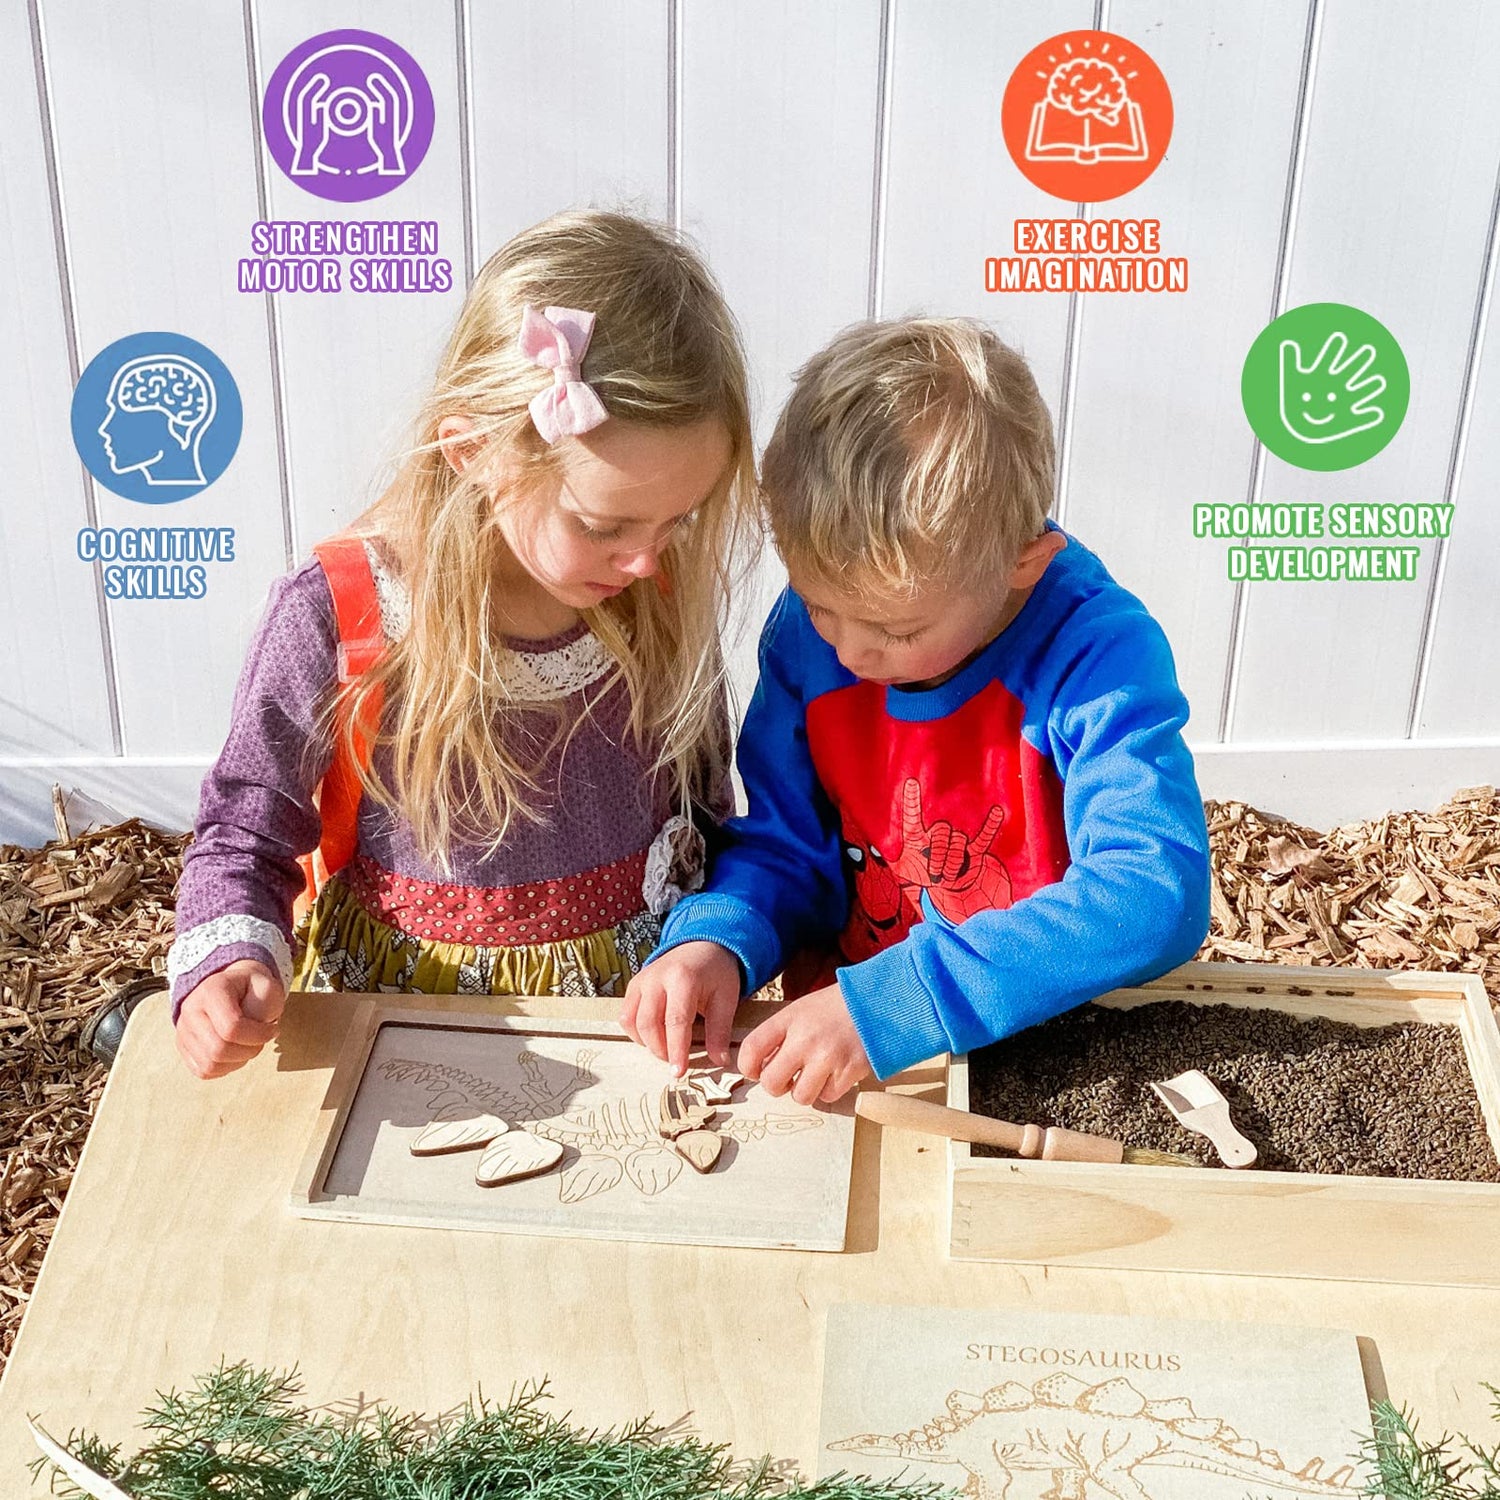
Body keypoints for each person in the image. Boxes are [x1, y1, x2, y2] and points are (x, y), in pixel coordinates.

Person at [169, 210, 756, 1080]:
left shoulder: (655, 597)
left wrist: (718, 943)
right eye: (604, 526)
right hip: (404, 1028)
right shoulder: (346, 613)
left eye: (679, 520)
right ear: (474, 450)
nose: (644, 558)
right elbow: (245, 828)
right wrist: (227, 964)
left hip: (635, 1030)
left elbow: (705, 822)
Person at [620, 317, 1210, 1104]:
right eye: (820, 604)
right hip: (848, 1055)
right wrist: (719, 936)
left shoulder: (1096, 655)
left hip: (1044, 1060)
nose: (849, 651)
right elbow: (788, 846)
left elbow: (1152, 892)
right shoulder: (809, 638)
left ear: (1023, 566)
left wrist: (905, 998)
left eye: (897, 631)